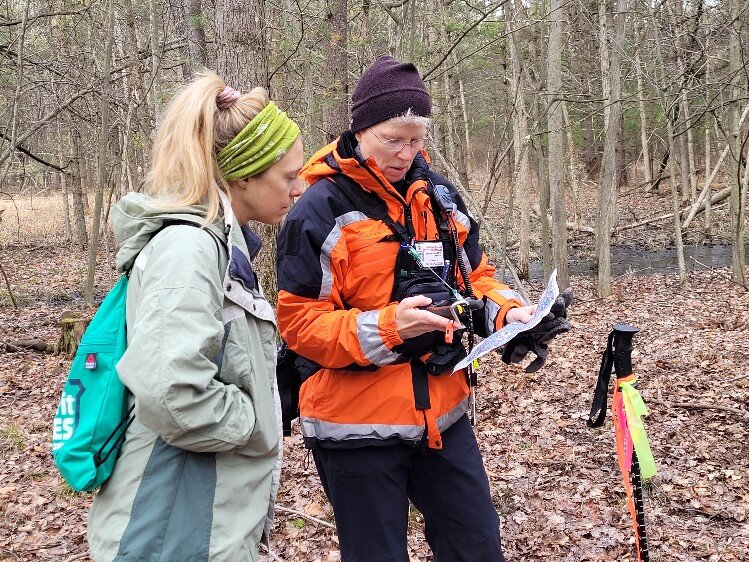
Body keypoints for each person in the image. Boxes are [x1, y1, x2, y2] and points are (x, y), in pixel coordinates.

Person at [276, 56, 569, 561]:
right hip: (355, 429)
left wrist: (507, 315)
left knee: (477, 545)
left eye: (416, 139)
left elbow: (475, 278)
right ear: (360, 129)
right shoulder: (317, 209)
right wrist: (391, 326)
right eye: (394, 139)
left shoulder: (436, 196)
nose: (406, 152)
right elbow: (301, 325)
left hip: (443, 417)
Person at [87, 70, 303, 561]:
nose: (300, 187)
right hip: (169, 522)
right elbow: (173, 394)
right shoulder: (188, 249)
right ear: (245, 174)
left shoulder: (223, 248)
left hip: (201, 519)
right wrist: (253, 421)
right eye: (289, 176)